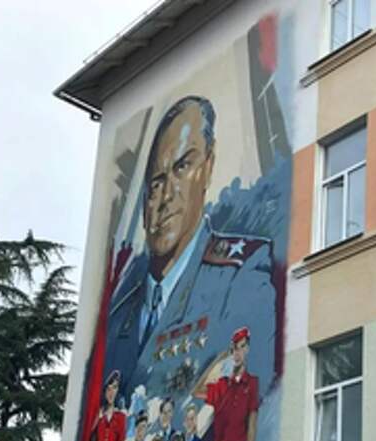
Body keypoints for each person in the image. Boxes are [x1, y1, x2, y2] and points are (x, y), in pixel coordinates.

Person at [101, 95, 277, 413]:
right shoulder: (118, 313)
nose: (167, 196)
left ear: (208, 167)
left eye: (183, 167)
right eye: (156, 183)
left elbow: (245, 394)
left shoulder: (243, 273)